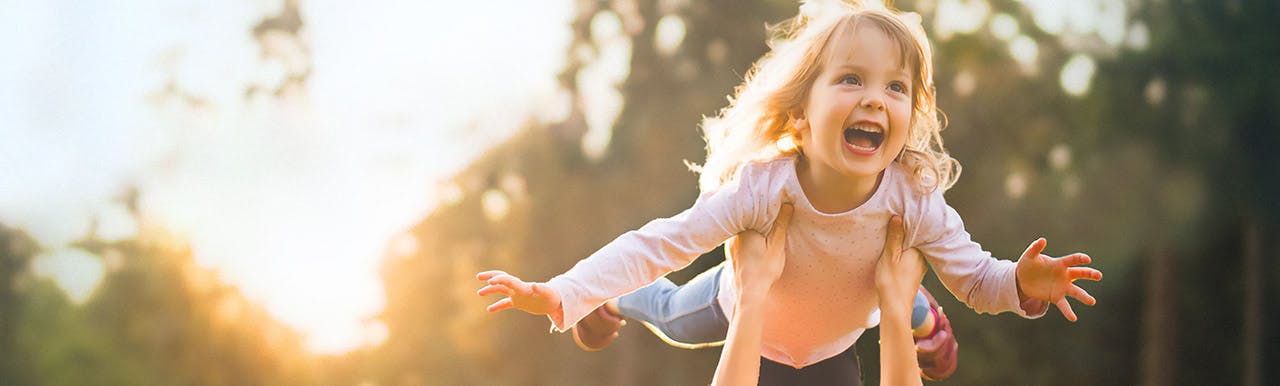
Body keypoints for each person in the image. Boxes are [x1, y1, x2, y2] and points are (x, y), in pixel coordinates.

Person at [476, 0, 1102, 381]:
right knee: (669, 311)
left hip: (843, 323)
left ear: (911, 113)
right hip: (749, 304)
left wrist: (1021, 285)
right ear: (801, 115)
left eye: (896, 88)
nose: (874, 99)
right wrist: (560, 293)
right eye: (852, 79)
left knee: (895, 283)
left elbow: (976, 279)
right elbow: (656, 244)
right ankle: (613, 304)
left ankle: (913, 310)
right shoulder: (762, 189)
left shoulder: (913, 199)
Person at [711, 207, 924, 386]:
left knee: (676, 317)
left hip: (749, 281)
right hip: (836, 299)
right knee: (897, 292)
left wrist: (751, 290)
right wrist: (898, 305)